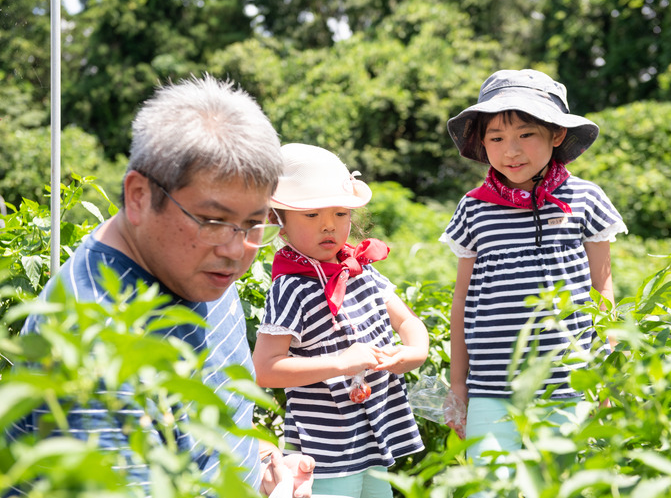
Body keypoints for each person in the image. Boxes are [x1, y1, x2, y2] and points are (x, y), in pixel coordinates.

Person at [6, 75, 314, 497]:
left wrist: (255, 462)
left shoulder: (197, 269)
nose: (236, 250)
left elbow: (206, 414)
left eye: (254, 223)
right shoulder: (95, 358)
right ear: (138, 195)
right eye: (213, 221)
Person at [440, 70, 627, 473]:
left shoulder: (585, 198)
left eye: (526, 134)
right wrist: (459, 386)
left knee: (559, 481)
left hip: (568, 381)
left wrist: (606, 371)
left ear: (556, 135)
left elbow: (603, 287)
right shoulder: (474, 207)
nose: (511, 151)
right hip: (491, 385)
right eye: (496, 138)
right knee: (490, 483)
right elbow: (462, 300)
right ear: (482, 142)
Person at [252, 143, 428, 498]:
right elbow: (264, 368)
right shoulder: (291, 287)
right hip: (325, 450)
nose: (329, 225)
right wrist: (339, 362)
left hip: (374, 436)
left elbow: (408, 322)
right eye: (312, 215)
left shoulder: (361, 271)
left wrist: (413, 353)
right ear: (280, 222)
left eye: (340, 213)